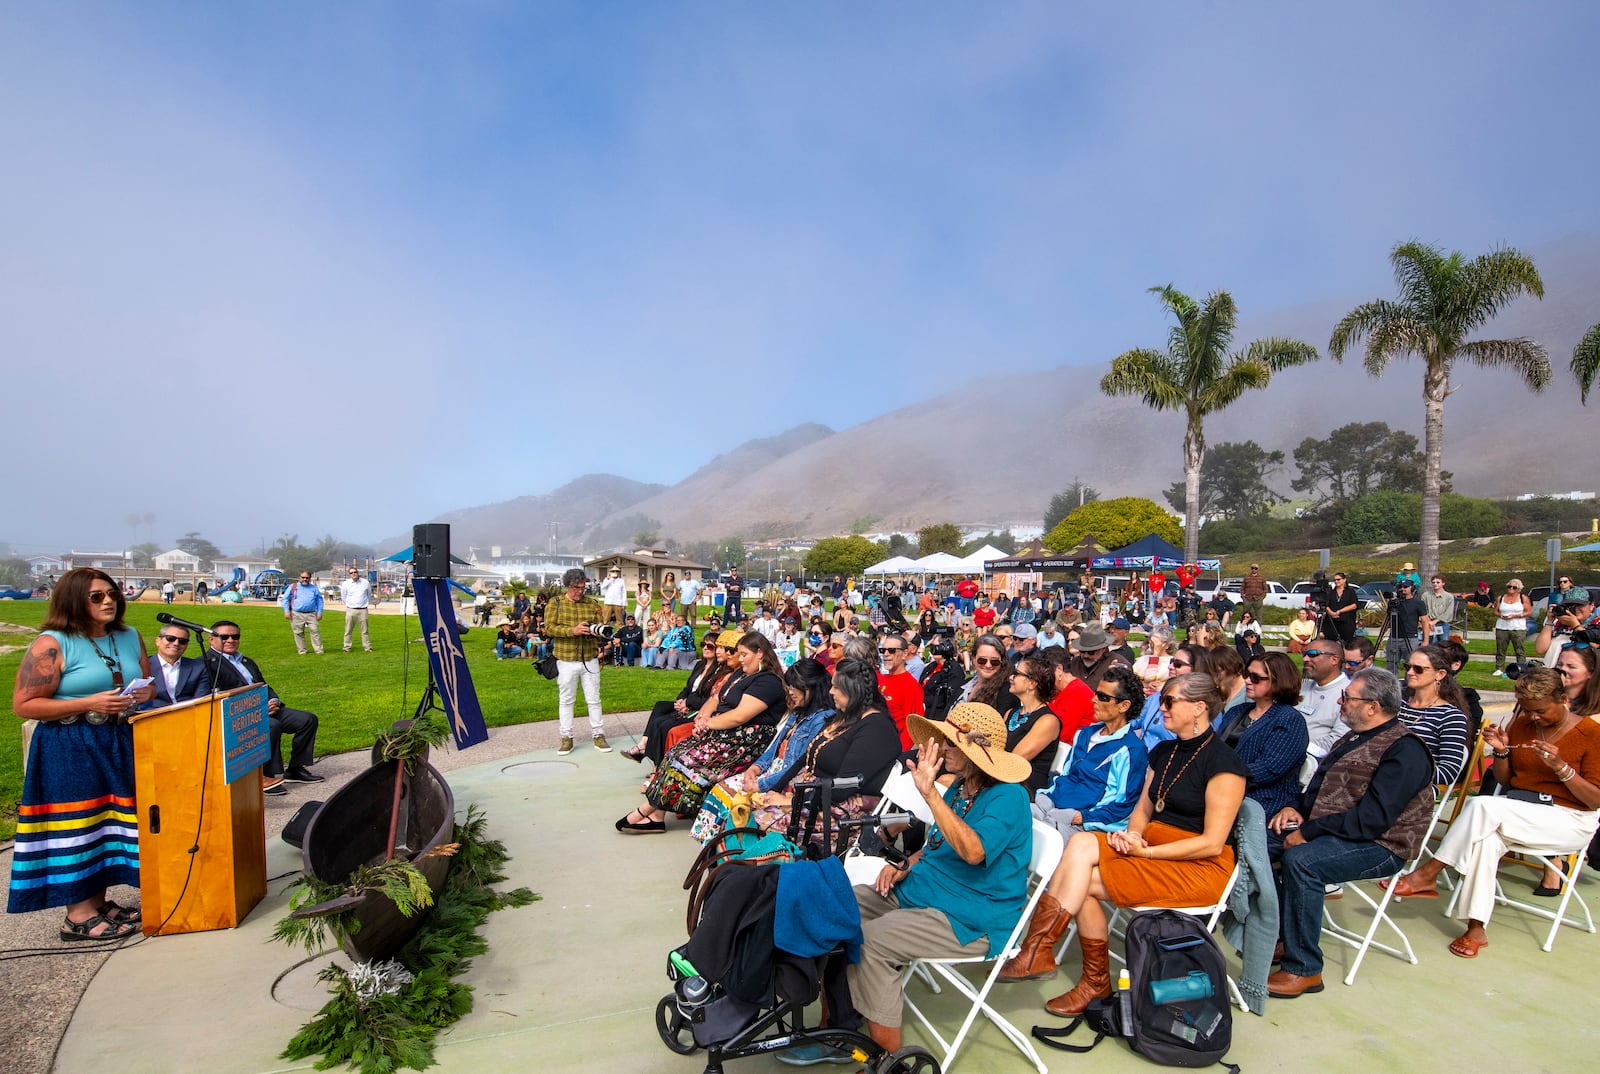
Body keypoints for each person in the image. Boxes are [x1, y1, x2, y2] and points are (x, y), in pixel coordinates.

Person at [1001, 673, 1247, 1011]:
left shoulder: (1224, 764)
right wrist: (1133, 834)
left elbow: (1211, 844)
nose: (1161, 708)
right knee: (1082, 844)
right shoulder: (1164, 751)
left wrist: (1147, 850)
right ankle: (1040, 953)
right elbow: (1143, 810)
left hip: (1197, 866)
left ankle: (1085, 977)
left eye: (1170, 701)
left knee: (1082, 881)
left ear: (1200, 708)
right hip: (1150, 845)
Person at [845, 702, 1034, 1059]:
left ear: (976, 752)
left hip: (973, 917)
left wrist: (930, 792)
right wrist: (907, 863)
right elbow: (937, 848)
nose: (942, 747)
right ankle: (838, 1023)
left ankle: (889, 1064)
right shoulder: (963, 786)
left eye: (950, 742)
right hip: (927, 889)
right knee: (839, 907)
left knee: (872, 942)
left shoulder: (1009, 797)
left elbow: (973, 851)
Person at [1388, 668, 1600, 958]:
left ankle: (1429, 872)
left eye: (1540, 711)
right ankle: (1476, 927)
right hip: (1519, 810)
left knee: (1482, 805)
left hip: (1569, 819)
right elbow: (1505, 781)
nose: (1534, 717)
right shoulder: (1522, 724)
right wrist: (1500, 751)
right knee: (1486, 840)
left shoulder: (1591, 734)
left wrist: (1562, 768)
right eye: (1527, 710)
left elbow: (1594, 800)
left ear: (1563, 699)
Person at [1265, 668, 1437, 997]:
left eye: (1348, 698)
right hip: (1337, 829)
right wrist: (1296, 809)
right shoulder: (1355, 736)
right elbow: (1320, 789)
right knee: (1256, 841)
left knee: (1303, 860)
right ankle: (1287, 936)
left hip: (1382, 845)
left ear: (1373, 706)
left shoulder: (1405, 750)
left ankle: (1305, 969)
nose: (1341, 703)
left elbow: (1372, 821)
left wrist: (1309, 830)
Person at [8, 568, 155, 939]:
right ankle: (77, 915)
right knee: (79, 826)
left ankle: (99, 901)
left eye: (113, 593)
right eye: (96, 597)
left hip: (117, 739)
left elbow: (148, 685)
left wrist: (143, 694)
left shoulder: (129, 636)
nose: (109, 601)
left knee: (110, 822)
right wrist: (90, 701)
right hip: (69, 743)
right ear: (74, 601)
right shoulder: (52, 644)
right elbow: (24, 704)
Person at [619, 632, 785, 831]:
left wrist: (708, 724)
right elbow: (715, 699)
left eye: (743, 654)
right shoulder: (741, 674)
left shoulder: (768, 681)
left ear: (760, 653)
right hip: (724, 734)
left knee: (685, 761)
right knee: (674, 753)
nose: (739, 659)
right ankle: (656, 815)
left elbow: (740, 715)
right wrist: (701, 719)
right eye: (738, 654)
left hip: (744, 742)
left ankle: (647, 810)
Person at [747, 657, 902, 836]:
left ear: (853, 690)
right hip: (811, 795)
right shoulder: (844, 716)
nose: (830, 691)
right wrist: (775, 790)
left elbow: (842, 788)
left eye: (836, 686)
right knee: (741, 806)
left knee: (754, 824)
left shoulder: (876, 729)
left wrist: (791, 801)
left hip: (838, 810)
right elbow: (804, 758)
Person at [1023, 665, 1149, 850]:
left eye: (1103, 697)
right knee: (1009, 816)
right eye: (1097, 693)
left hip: (1080, 824)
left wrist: (1080, 817)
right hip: (1050, 805)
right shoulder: (1084, 734)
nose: (1093, 699)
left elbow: (1124, 805)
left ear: (1124, 706)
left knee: (1029, 837)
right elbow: (1066, 774)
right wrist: (1046, 797)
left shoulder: (1131, 750)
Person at [207, 619, 322, 795]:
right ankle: (267, 776)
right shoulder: (208, 664)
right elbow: (220, 697)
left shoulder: (245, 660)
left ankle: (296, 768)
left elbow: (263, 685)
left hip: (266, 706)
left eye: (235, 636)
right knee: (271, 726)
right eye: (224, 636)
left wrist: (273, 700)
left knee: (307, 720)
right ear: (211, 639)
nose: (230, 640)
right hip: (243, 714)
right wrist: (257, 709)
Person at [1215, 652, 1311, 823]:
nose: (1247, 681)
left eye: (1256, 677)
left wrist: (1219, 777)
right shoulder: (1237, 711)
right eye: (1246, 675)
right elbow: (1214, 748)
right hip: (1222, 790)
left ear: (1277, 681)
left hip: (1263, 801)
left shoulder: (1289, 719)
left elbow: (1268, 769)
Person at [624, 630, 737, 765]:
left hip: (696, 706)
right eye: (703, 645)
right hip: (689, 702)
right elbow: (687, 688)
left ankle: (655, 761)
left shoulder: (720, 671)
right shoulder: (700, 665)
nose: (706, 648)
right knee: (660, 709)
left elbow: (707, 696)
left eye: (711, 646)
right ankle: (644, 747)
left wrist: (687, 703)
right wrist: (680, 700)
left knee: (664, 723)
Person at [737, 659, 837, 793]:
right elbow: (774, 749)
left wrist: (760, 785)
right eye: (789, 686)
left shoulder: (823, 719)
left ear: (811, 686)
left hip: (786, 785)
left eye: (795, 686)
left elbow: (798, 765)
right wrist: (756, 768)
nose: (790, 691)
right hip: (772, 774)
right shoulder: (798, 713)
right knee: (720, 791)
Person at [545, 568, 611, 755]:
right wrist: (571, 631)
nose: (580, 591)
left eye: (583, 587)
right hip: (565, 659)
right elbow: (549, 629)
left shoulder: (591, 604)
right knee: (566, 699)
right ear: (567, 586)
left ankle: (598, 735)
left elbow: (600, 628)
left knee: (594, 698)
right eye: (576, 588)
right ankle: (566, 737)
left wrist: (597, 633)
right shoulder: (555, 603)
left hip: (589, 658)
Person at [1398, 644, 1471, 787]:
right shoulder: (1397, 705)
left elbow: (1448, 772)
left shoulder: (1451, 716)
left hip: (1417, 788)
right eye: (1408, 667)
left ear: (1440, 674)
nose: (1410, 672)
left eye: (1418, 669)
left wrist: (1399, 770)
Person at [1003, 653, 1064, 792]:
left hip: (1022, 787)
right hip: (1001, 779)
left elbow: (1016, 760)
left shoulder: (1048, 721)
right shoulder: (1011, 713)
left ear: (1032, 683)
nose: (1011, 677)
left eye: (1016, 674)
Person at [1300, 639, 1352, 763]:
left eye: (1313, 654)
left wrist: (1293, 747)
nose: (1305, 659)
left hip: (1314, 763)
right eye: (1304, 654)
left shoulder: (1349, 694)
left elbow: (1339, 740)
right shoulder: (1303, 688)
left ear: (1334, 660)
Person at [146, 623, 211, 706]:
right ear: (158, 641)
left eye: (182, 641)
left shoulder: (198, 667)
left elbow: (201, 700)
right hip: (152, 716)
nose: (176, 643)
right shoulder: (143, 666)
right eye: (170, 638)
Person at [962, 633, 1018, 714]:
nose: (988, 665)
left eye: (994, 661)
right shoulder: (965, 683)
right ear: (973, 659)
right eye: (982, 660)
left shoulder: (1007, 692)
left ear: (1001, 661)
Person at [1383, 579, 1431, 673]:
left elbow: (1425, 621)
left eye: (1405, 587)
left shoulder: (1418, 603)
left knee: (1411, 665)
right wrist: (1382, 635)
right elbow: (1387, 619)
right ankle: (1392, 686)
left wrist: (1426, 641)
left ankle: (1409, 686)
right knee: (1391, 665)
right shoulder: (1393, 603)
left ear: (1411, 588)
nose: (1402, 589)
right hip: (1394, 637)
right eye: (1400, 587)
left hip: (1410, 638)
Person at [1491, 579, 1532, 676]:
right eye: (1509, 587)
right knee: (1500, 649)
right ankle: (1499, 668)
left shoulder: (1523, 598)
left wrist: (1516, 616)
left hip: (1518, 627)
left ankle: (1522, 669)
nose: (1511, 589)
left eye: (1514, 587)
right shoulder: (1501, 598)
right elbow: (1495, 611)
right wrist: (1501, 615)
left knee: (1519, 649)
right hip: (1502, 627)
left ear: (1519, 589)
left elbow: (1529, 612)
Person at [281, 571, 325, 655]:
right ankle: (302, 651)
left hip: (311, 613)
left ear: (310, 579)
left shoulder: (314, 588)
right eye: (303, 577)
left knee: (315, 631)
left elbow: (319, 601)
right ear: (299, 577)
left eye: (307, 578)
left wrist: (319, 612)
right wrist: (286, 611)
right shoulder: (293, 587)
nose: (305, 579)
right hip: (297, 613)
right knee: (298, 633)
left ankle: (319, 650)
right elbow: (285, 599)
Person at [1132, 623, 1175, 696]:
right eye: (1151, 642)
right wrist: (1146, 684)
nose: (1151, 645)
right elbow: (1131, 680)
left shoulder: (1172, 662)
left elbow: (1150, 677)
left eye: (1155, 642)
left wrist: (1156, 654)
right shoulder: (1142, 660)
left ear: (1167, 645)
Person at [340, 567, 373, 653]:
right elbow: (343, 596)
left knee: (365, 630)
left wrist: (364, 604)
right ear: (349, 574)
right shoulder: (346, 584)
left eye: (355, 572)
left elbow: (368, 595)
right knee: (348, 630)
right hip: (351, 609)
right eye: (351, 573)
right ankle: (346, 647)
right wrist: (349, 605)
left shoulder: (365, 583)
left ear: (358, 573)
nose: (354, 574)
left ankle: (367, 647)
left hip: (363, 610)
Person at [1325, 572, 1360, 649]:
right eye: (1335, 580)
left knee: (1347, 641)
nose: (1336, 581)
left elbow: (1354, 605)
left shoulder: (1350, 591)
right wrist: (1331, 612)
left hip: (1346, 620)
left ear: (1344, 580)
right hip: (1332, 621)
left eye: (1338, 579)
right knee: (1331, 641)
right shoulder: (1331, 592)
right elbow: (1326, 604)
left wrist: (1340, 611)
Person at [1423, 574, 1456, 644]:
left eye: (1438, 582)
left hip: (1443, 623)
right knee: (1429, 645)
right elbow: (1423, 609)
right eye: (1433, 582)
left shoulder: (1449, 597)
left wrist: (1435, 621)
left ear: (1443, 583)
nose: (1435, 584)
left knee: (1444, 645)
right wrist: (1429, 621)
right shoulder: (1426, 595)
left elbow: (1448, 612)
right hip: (1428, 623)